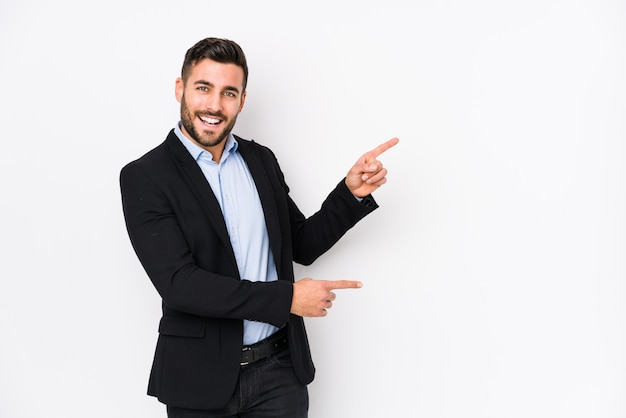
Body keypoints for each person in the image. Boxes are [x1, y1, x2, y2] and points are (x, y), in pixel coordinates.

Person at [119, 37, 398, 418]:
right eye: (203, 88)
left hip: (279, 374)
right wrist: (286, 300)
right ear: (180, 89)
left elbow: (301, 244)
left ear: (242, 101)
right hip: (199, 381)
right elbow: (180, 285)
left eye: (228, 93)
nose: (215, 105)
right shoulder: (145, 177)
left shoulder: (260, 160)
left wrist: (349, 195)